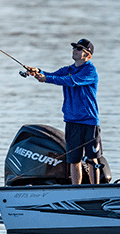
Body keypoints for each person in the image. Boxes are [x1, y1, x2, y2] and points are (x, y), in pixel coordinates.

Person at [26, 38, 102, 185]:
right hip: (72, 121)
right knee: (74, 160)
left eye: (79, 49)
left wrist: (47, 78)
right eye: (74, 47)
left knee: (92, 159)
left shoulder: (90, 71)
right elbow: (52, 75)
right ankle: (75, 190)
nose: (75, 50)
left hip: (89, 121)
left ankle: (95, 189)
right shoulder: (67, 70)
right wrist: (38, 72)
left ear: (88, 55)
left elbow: (71, 81)